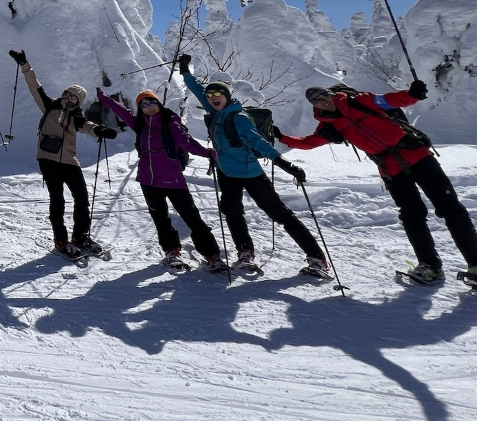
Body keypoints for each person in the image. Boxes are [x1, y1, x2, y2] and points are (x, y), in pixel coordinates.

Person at [277, 80, 477, 284]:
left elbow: (390, 100)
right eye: (316, 101)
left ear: (330, 94)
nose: (322, 102)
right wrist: (282, 138)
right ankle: (430, 267)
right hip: (391, 169)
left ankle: (475, 264)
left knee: (451, 209)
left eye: (323, 96)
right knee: (412, 215)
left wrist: (413, 94)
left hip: (417, 156)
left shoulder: (359, 100)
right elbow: (310, 142)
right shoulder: (328, 124)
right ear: (314, 106)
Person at [179, 54, 328, 273]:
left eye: (218, 93)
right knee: (232, 213)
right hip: (227, 174)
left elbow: (258, 143)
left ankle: (317, 258)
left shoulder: (238, 117)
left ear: (227, 96)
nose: (212, 97)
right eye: (210, 95)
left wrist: (285, 164)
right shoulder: (214, 110)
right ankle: (245, 254)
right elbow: (196, 88)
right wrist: (184, 70)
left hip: (251, 174)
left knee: (280, 214)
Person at [96, 87, 224, 269]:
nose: (149, 107)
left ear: (159, 104)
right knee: (161, 218)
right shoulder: (139, 124)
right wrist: (105, 99)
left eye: (152, 102)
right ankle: (172, 251)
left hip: (173, 179)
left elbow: (186, 141)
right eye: (144, 104)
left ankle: (212, 255)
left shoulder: (170, 123)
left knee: (191, 217)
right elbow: (121, 111)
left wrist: (206, 152)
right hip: (148, 181)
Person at [10, 50, 115, 257]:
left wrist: (100, 130)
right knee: (57, 200)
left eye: (74, 97)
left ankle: (81, 236)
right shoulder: (50, 106)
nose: (69, 98)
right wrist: (24, 64)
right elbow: (35, 87)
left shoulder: (77, 117)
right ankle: (61, 240)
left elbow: (88, 126)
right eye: (67, 93)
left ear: (78, 102)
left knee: (82, 199)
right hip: (48, 159)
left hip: (70, 161)